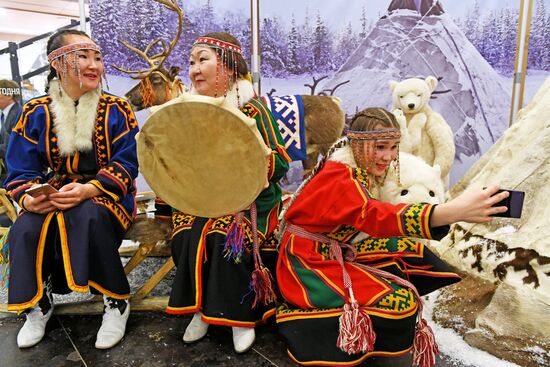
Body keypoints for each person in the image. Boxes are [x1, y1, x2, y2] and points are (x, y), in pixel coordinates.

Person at [275, 108, 509, 367]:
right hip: (307, 261)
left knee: (409, 250)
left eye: (393, 147)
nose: (387, 156)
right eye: (380, 147)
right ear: (358, 144)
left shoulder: (358, 166)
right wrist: (451, 212)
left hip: (335, 247)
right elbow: (374, 216)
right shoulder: (340, 177)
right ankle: (305, 320)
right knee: (400, 304)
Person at [4, 29, 139, 350]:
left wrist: (90, 189)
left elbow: (128, 163)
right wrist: (29, 196)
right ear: (58, 63)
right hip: (56, 191)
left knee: (87, 213)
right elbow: (20, 168)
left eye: (98, 57)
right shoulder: (35, 111)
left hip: (107, 196)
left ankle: (115, 300)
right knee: (24, 227)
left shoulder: (117, 109)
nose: (95, 65)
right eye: (84, 57)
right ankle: (38, 303)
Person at [166, 32, 290, 353]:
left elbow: (281, 162)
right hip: (205, 199)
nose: (194, 68)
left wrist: (255, 159)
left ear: (229, 67)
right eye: (191, 61)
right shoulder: (188, 110)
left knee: (223, 238)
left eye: (203, 59)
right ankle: (203, 308)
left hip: (250, 203)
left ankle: (238, 317)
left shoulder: (253, 109)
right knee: (184, 235)